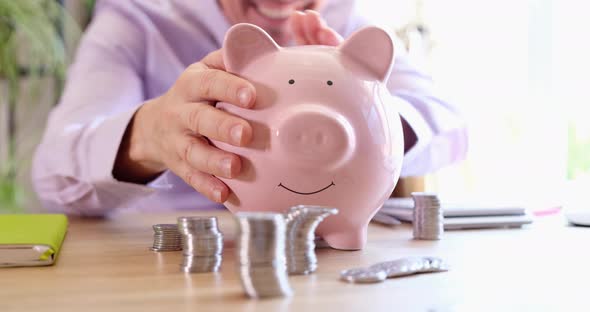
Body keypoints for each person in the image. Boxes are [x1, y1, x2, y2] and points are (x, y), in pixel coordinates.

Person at [32, 0, 468, 216]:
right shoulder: (139, 21)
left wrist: (369, 113)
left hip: (321, 258)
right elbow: (53, 175)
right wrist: (152, 134)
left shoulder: (344, 26)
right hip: (172, 261)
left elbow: (449, 125)